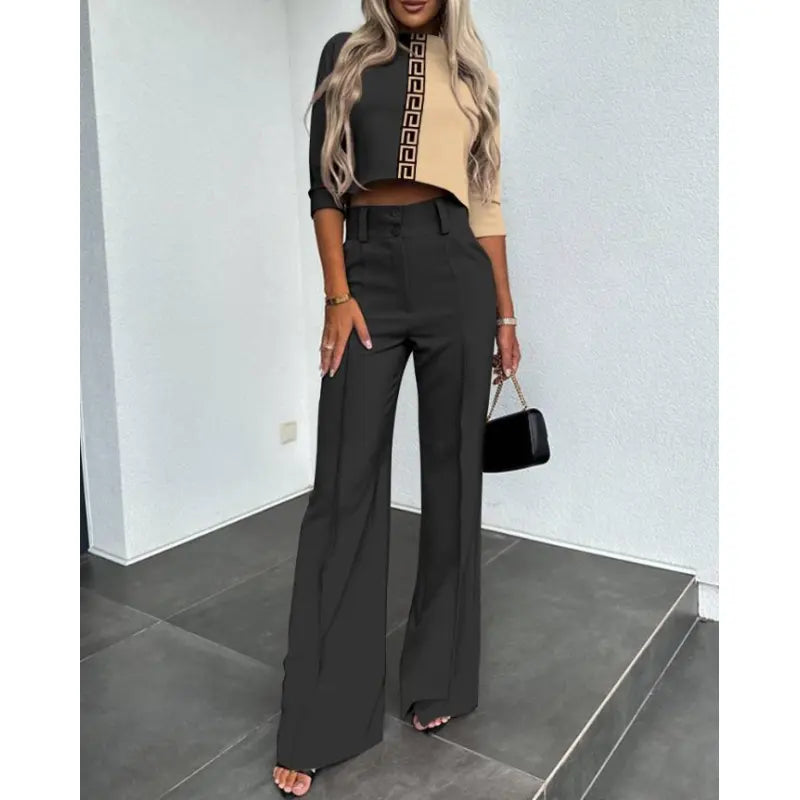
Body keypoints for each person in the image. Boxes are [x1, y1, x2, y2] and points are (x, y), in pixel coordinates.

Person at [273, 0, 520, 795]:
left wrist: (505, 314)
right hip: (368, 268)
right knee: (343, 488)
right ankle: (321, 718)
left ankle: (438, 678)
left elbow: (486, 202)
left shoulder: (474, 72)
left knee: (454, 482)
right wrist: (337, 296)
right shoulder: (344, 53)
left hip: (456, 270)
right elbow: (323, 188)